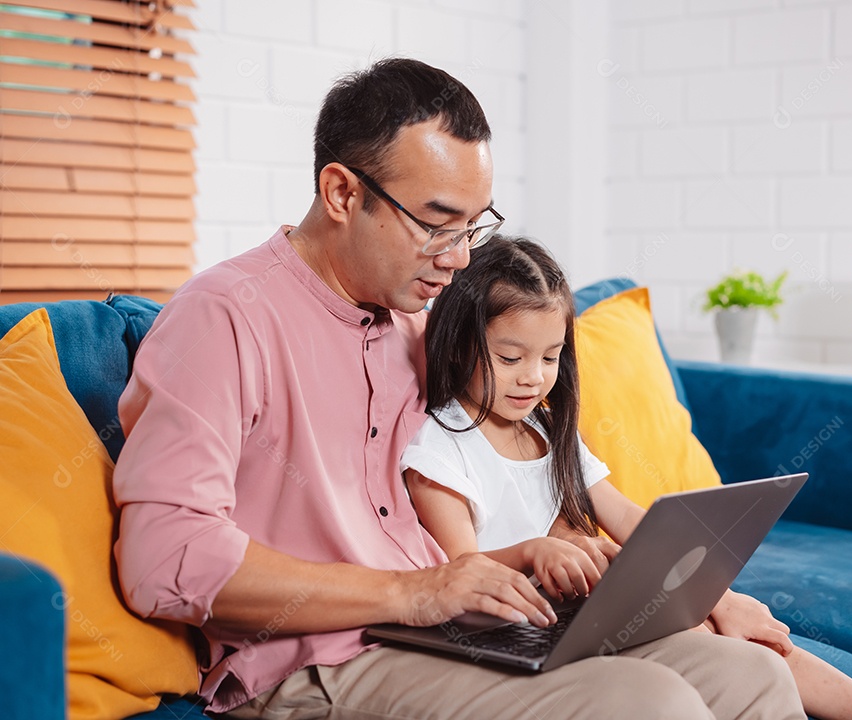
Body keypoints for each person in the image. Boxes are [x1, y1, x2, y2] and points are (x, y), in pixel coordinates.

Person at [112, 58, 806, 718]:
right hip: (316, 661)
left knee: (750, 675)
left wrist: (700, 596)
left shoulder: (424, 324)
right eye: (437, 225)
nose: (460, 256)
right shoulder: (224, 316)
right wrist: (415, 592)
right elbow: (164, 558)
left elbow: (517, 466)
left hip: (453, 628)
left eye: (473, 226)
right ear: (342, 192)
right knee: (644, 704)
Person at [401, 234, 852, 720]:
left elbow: (628, 517)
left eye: (551, 357)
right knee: (711, 624)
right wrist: (536, 550)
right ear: (456, 346)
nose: (533, 376)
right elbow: (460, 574)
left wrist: (719, 590)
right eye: (510, 358)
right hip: (511, 631)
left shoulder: (545, 427)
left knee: (729, 619)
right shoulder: (442, 447)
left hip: (577, 613)